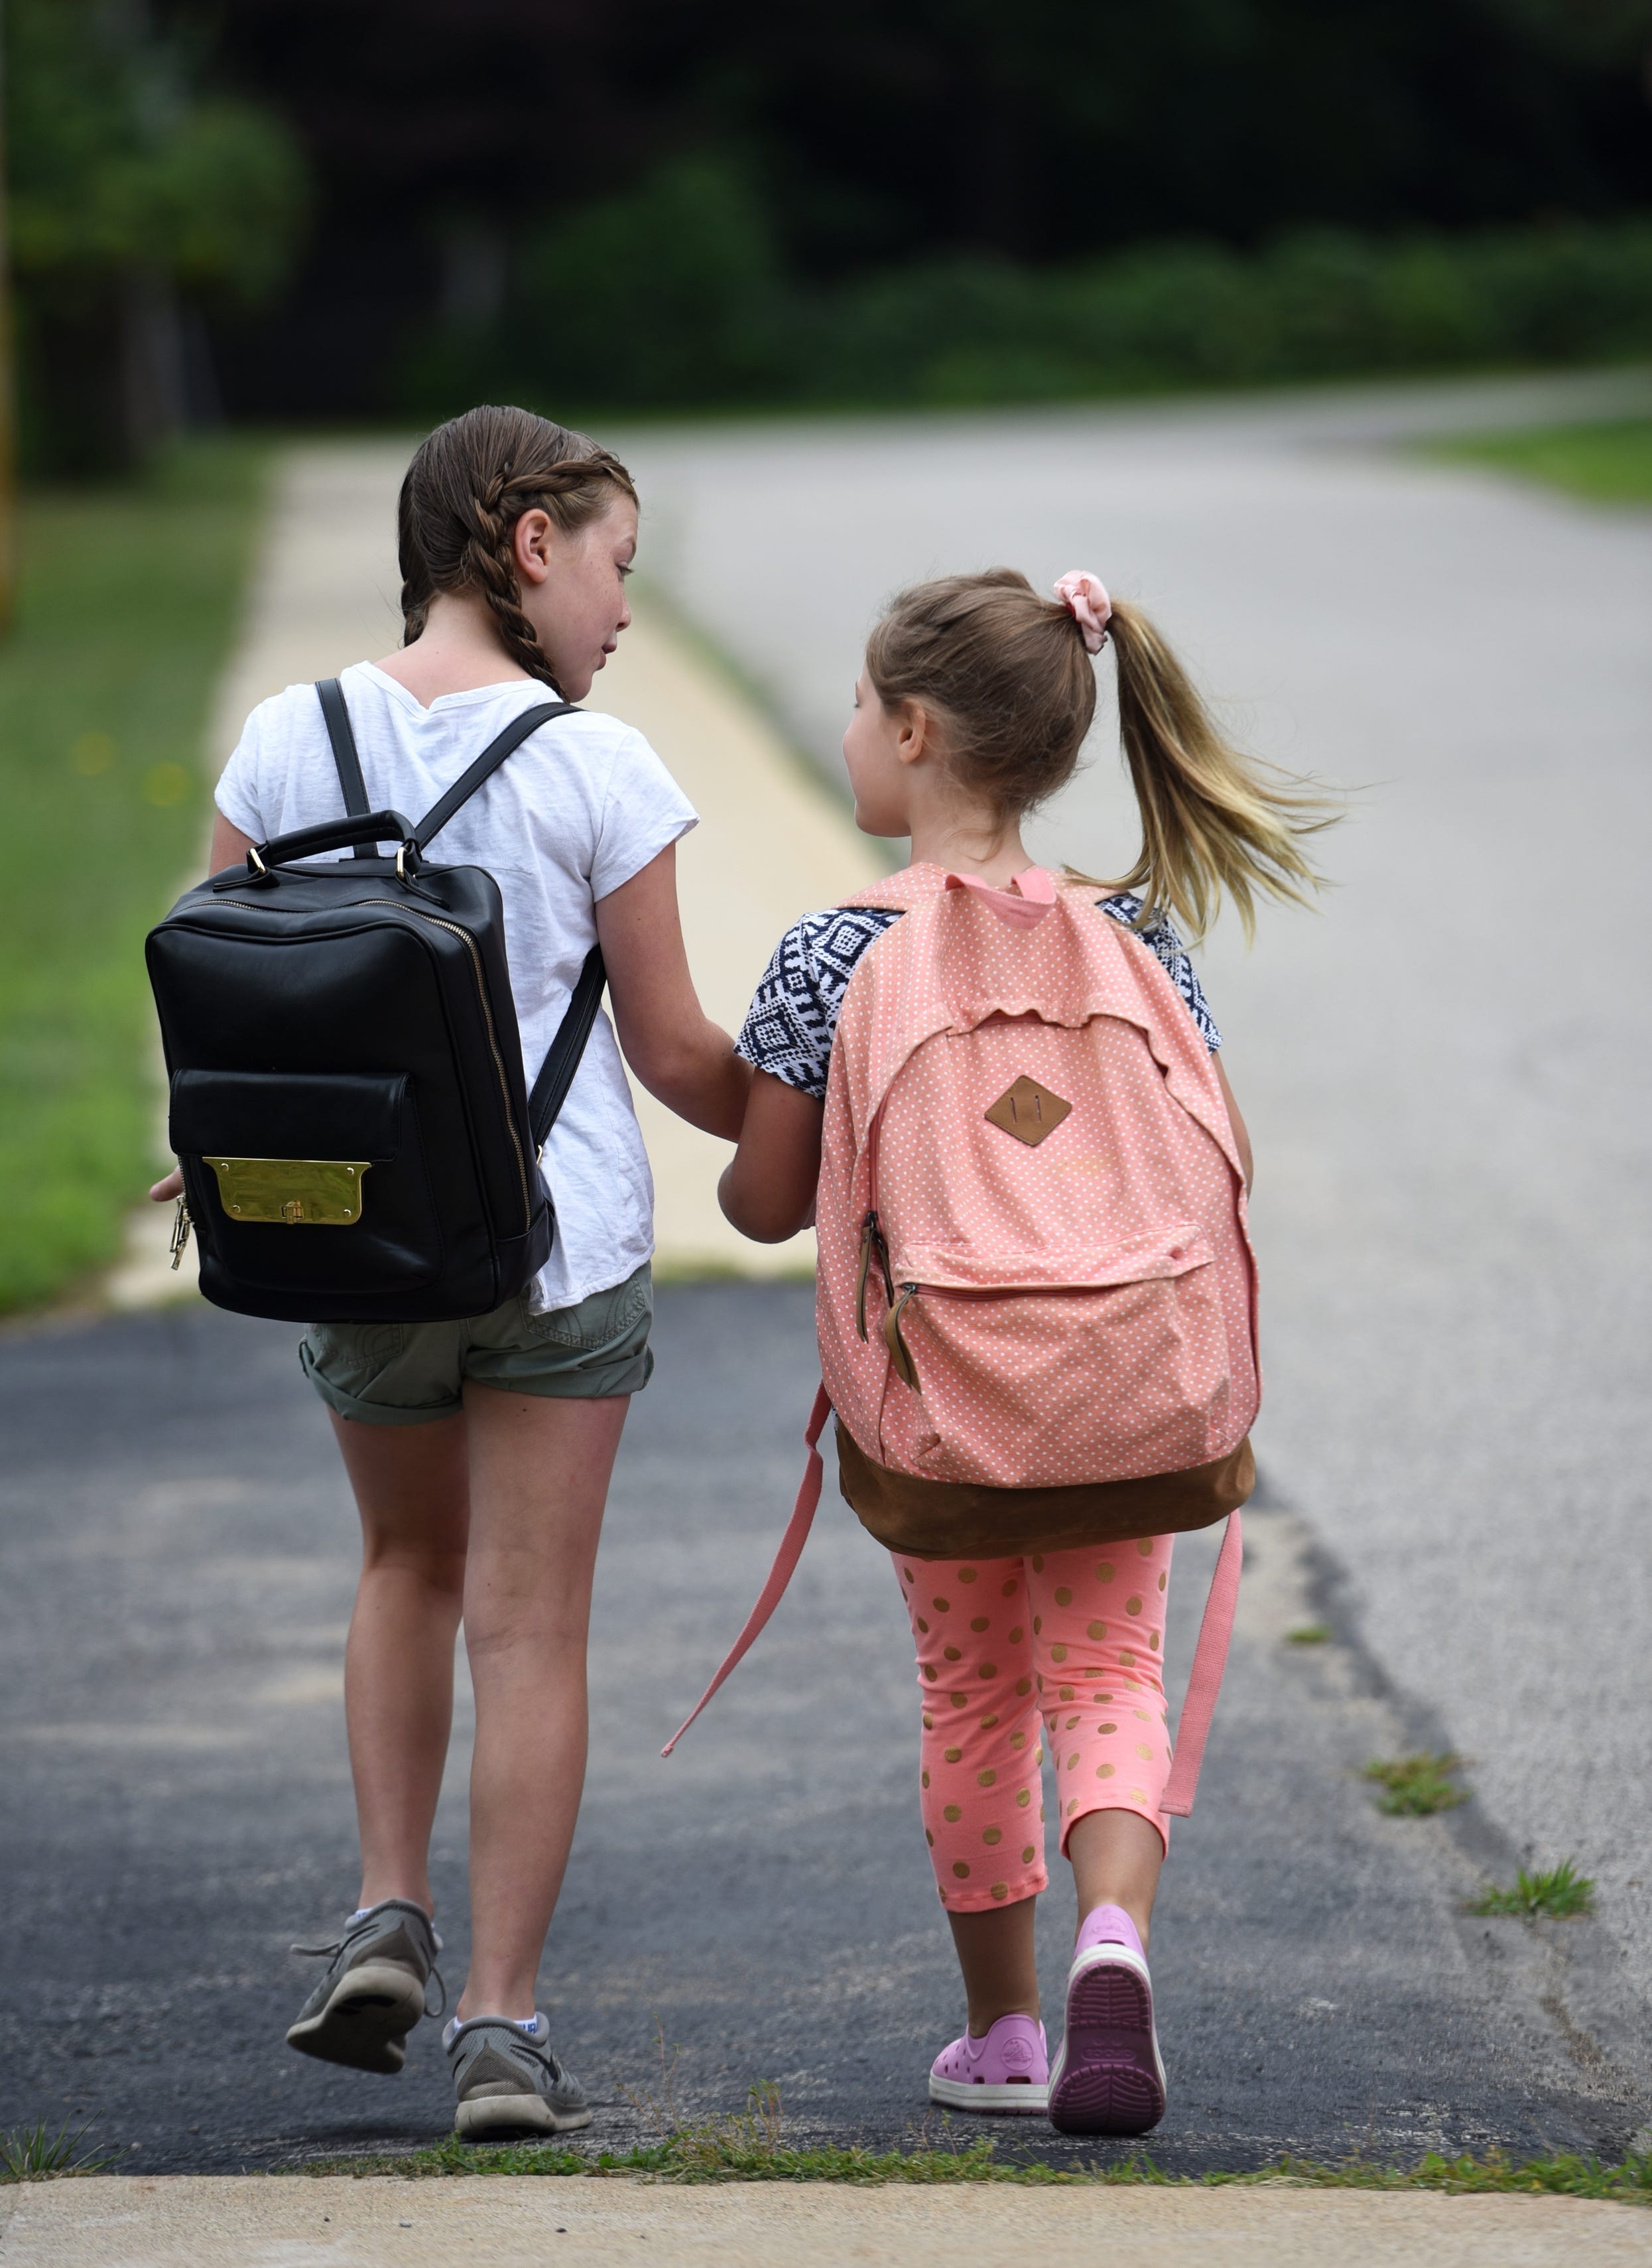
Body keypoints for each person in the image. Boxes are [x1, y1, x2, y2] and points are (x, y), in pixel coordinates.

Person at [150, 405, 750, 2139]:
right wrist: (816, 1093)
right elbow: (674, 1050)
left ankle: (382, 1912)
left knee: (404, 1563)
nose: (627, 615)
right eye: (620, 566)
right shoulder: (596, 770)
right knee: (531, 1620)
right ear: (531, 544)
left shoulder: (283, 738)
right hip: (551, 1252)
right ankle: (499, 2024)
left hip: (356, 1241)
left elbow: (217, 975)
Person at [718, 567, 1331, 2135]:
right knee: (1109, 1670)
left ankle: (1000, 2036)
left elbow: (769, 1204)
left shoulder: (828, 956)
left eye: (862, 707)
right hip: (1131, 1391)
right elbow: (1224, 1157)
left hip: (946, 1414)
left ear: (914, 731)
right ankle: (1112, 1942)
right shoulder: (1139, 939)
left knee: (976, 1696)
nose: (852, 729)